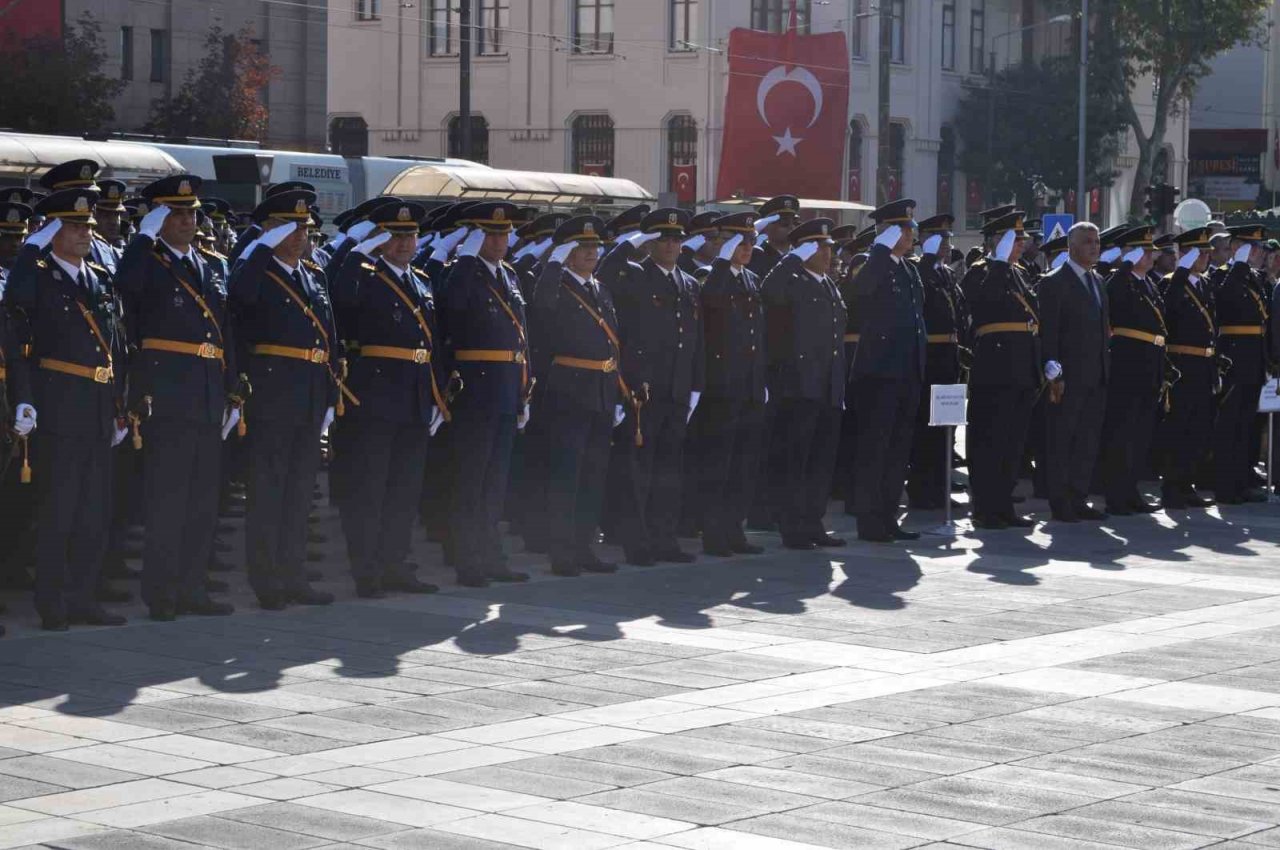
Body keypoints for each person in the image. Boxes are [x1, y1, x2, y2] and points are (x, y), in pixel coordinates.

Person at [114, 174, 238, 621]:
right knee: (167, 500)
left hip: (207, 392)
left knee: (203, 502)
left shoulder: (210, 263)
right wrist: (143, 237)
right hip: (167, 394)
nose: (187, 220)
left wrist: (233, 386)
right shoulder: (148, 261)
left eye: (190, 212)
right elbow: (126, 288)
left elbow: (225, 329)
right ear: (159, 218)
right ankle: (162, 593)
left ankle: (192, 588)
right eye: (175, 213)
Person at [5, 188, 129, 630]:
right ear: (55, 231)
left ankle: (83, 598)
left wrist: (120, 405)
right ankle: (51, 601)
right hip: (58, 405)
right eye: (75, 226)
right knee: (59, 509)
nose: (85, 234)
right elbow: (16, 325)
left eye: (88, 227)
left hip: (97, 406)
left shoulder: (98, 276)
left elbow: (117, 345)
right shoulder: (37, 277)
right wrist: (24, 397)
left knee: (94, 511)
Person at [228, 189, 339, 610]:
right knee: (268, 491)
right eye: (289, 227)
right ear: (269, 230)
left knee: (299, 493)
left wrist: (330, 393)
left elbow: (328, 336)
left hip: (309, 392)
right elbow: (240, 297)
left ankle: (294, 576)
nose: (299, 235)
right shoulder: (256, 271)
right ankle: (266, 579)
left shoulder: (311, 273)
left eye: (305, 227)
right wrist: (259, 249)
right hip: (272, 393)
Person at [330, 200, 445, 598]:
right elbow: (340, 299)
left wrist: (437, 394)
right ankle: (367, 571)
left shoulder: (422, 280)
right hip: (376, 396)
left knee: (403, 490)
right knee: (371, 488)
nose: (403, 243)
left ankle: (397, 564)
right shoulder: (364, 276)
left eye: (409, 235)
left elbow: (432, 343)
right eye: (395, 236)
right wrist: (358, 252)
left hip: (414, 395)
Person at [438, 201, 532, 588]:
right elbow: (451, 307)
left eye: (503, 234)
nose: (499, 241)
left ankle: (492, 555)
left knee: (495, 481)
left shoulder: (509, 275)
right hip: (477, 389)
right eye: (491, 234)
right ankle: (467, 559)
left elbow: (524, 336)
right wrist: (464, 257)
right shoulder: (464, 275)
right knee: (470, 478)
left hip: (508, 387)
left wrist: (525, 390)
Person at [604, 208, 705, 565]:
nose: (671, 245)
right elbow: (605, 273)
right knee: (638, 471)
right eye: (663, 238)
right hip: (643, 389)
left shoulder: (689, 283)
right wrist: (632, 242)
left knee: (668, 472)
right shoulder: (635, 276)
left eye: (677, 239)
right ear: (650, 243)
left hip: (677, 390)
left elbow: (696, 339)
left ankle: (665, 539)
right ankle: (637, 542)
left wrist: (696, 385)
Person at [527, 215, 622, 576]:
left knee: (593, 475)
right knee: (566, 475)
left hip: (600, 390)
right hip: (569, 390)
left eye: (594, 246)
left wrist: (617, 393)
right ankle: (562, 552)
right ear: (566, 252)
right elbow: (542, 306)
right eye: (581, 247)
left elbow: (613, 339)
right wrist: (553, 261)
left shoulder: (600, 288)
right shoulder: (555, 284)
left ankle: (584, 547)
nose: (590, 253)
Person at [762, 217, 848, 549]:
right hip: (799, 386)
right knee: (795, 461)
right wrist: (794, 257)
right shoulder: (793, 281)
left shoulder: (828, 284)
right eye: (820, 248)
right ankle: (792, 525)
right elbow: (769, 290)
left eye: (828, 248)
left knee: (820, 463)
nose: (828, 254)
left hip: (827, 386)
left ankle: (813, 522)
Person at [846, 200, 926, 542]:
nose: (911, 235)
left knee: (897, 450)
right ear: (890, 232)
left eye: (910, 229)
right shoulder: (871, 263)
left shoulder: (908, 269)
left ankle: (888, 516)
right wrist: (879, 249)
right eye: (905, 229)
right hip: (879, 372)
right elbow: (859, 292)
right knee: (875, 448)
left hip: (906, 371)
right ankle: (869, 520)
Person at [692, 211, 767, 556]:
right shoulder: (713, 276)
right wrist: (723, 263)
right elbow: (711, 304)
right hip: (723, 385)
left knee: (743, 464)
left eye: (751, 240)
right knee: (718, 463)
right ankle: (713, 532)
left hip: (748, 383)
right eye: (741, 241)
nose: (748, 247)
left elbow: (757, 333)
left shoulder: (750, 279)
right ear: (727, 244)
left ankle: (734, 529)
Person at [965, 212, 1041, 529]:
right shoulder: (980, 272)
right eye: (1015, 239)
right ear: (998, 241)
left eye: (1022, 240)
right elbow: (984, 302)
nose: (1021, 246)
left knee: (1013, 442)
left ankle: (1004, 505)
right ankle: (985, 508)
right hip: (995, 368)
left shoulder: (1019, 272)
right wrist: (997, 262)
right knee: (990, 439)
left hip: (1022, 365)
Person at [1039, 221, 1110, 522]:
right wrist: (1054, 372)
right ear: (1071, 246)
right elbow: (1050, 333)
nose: (1094, 247)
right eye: (1087, 242)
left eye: (1096, 241)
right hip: (1068, 378)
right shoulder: (1053, 282)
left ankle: (1079, 496)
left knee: (1087, 440)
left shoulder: (1099, 282)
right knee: (1061, 441)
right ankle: (1061, 501)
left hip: (1096, 375)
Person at [1097, 226, 1165, 515]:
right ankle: (1116, 494)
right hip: (1128, 364)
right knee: (1122, 433)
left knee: (1140, 435)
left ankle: (1131, 490)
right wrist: (1124, 265)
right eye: (1144, 251)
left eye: (1150, 251)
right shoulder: (1121, 281)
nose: (1150, 256)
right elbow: (1111, 295)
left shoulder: (1147, 282)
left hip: (1149, 363)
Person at [906, 214, 966, 511]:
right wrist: (928, 258)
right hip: (930, 358)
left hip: (948, 358)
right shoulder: (922, 270)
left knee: (944, 426)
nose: (946, 244)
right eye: (940, 238)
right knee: (926, 428)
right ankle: (921, 489)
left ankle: (939, 488)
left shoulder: (943, 272)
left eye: (948, 238)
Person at [1159, 227, 1216, 509]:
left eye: (1207, 252)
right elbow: (1168, 311)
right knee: (1178, 429)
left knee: (1198, 430)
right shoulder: (1172, 283)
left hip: (1203, 365)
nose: (1206, 257)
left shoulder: (1204, 283)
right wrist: (1181, 272)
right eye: (1199, 252)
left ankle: (1187, 483)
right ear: (1185, 254)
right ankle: (1171, 487)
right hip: (1182, 365)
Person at [1212, 224, 1268, 504]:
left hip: (1253, 359)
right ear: (1237, 248)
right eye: (1253, 247)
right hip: (1233, 358)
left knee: (1246, 425)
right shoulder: (1225, 275)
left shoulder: (1254, 277)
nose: (1259, 253)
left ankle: (1241, 480)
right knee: (1230, 425)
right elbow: (1225, 302)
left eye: (1259, 248)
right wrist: (1239, 265)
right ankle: (1225, 485)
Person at [748, 195, 800, 279]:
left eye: (795, 222)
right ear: (767, 226)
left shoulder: (801, 257)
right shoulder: (756, 258)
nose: (791, 227)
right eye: (784, 223)